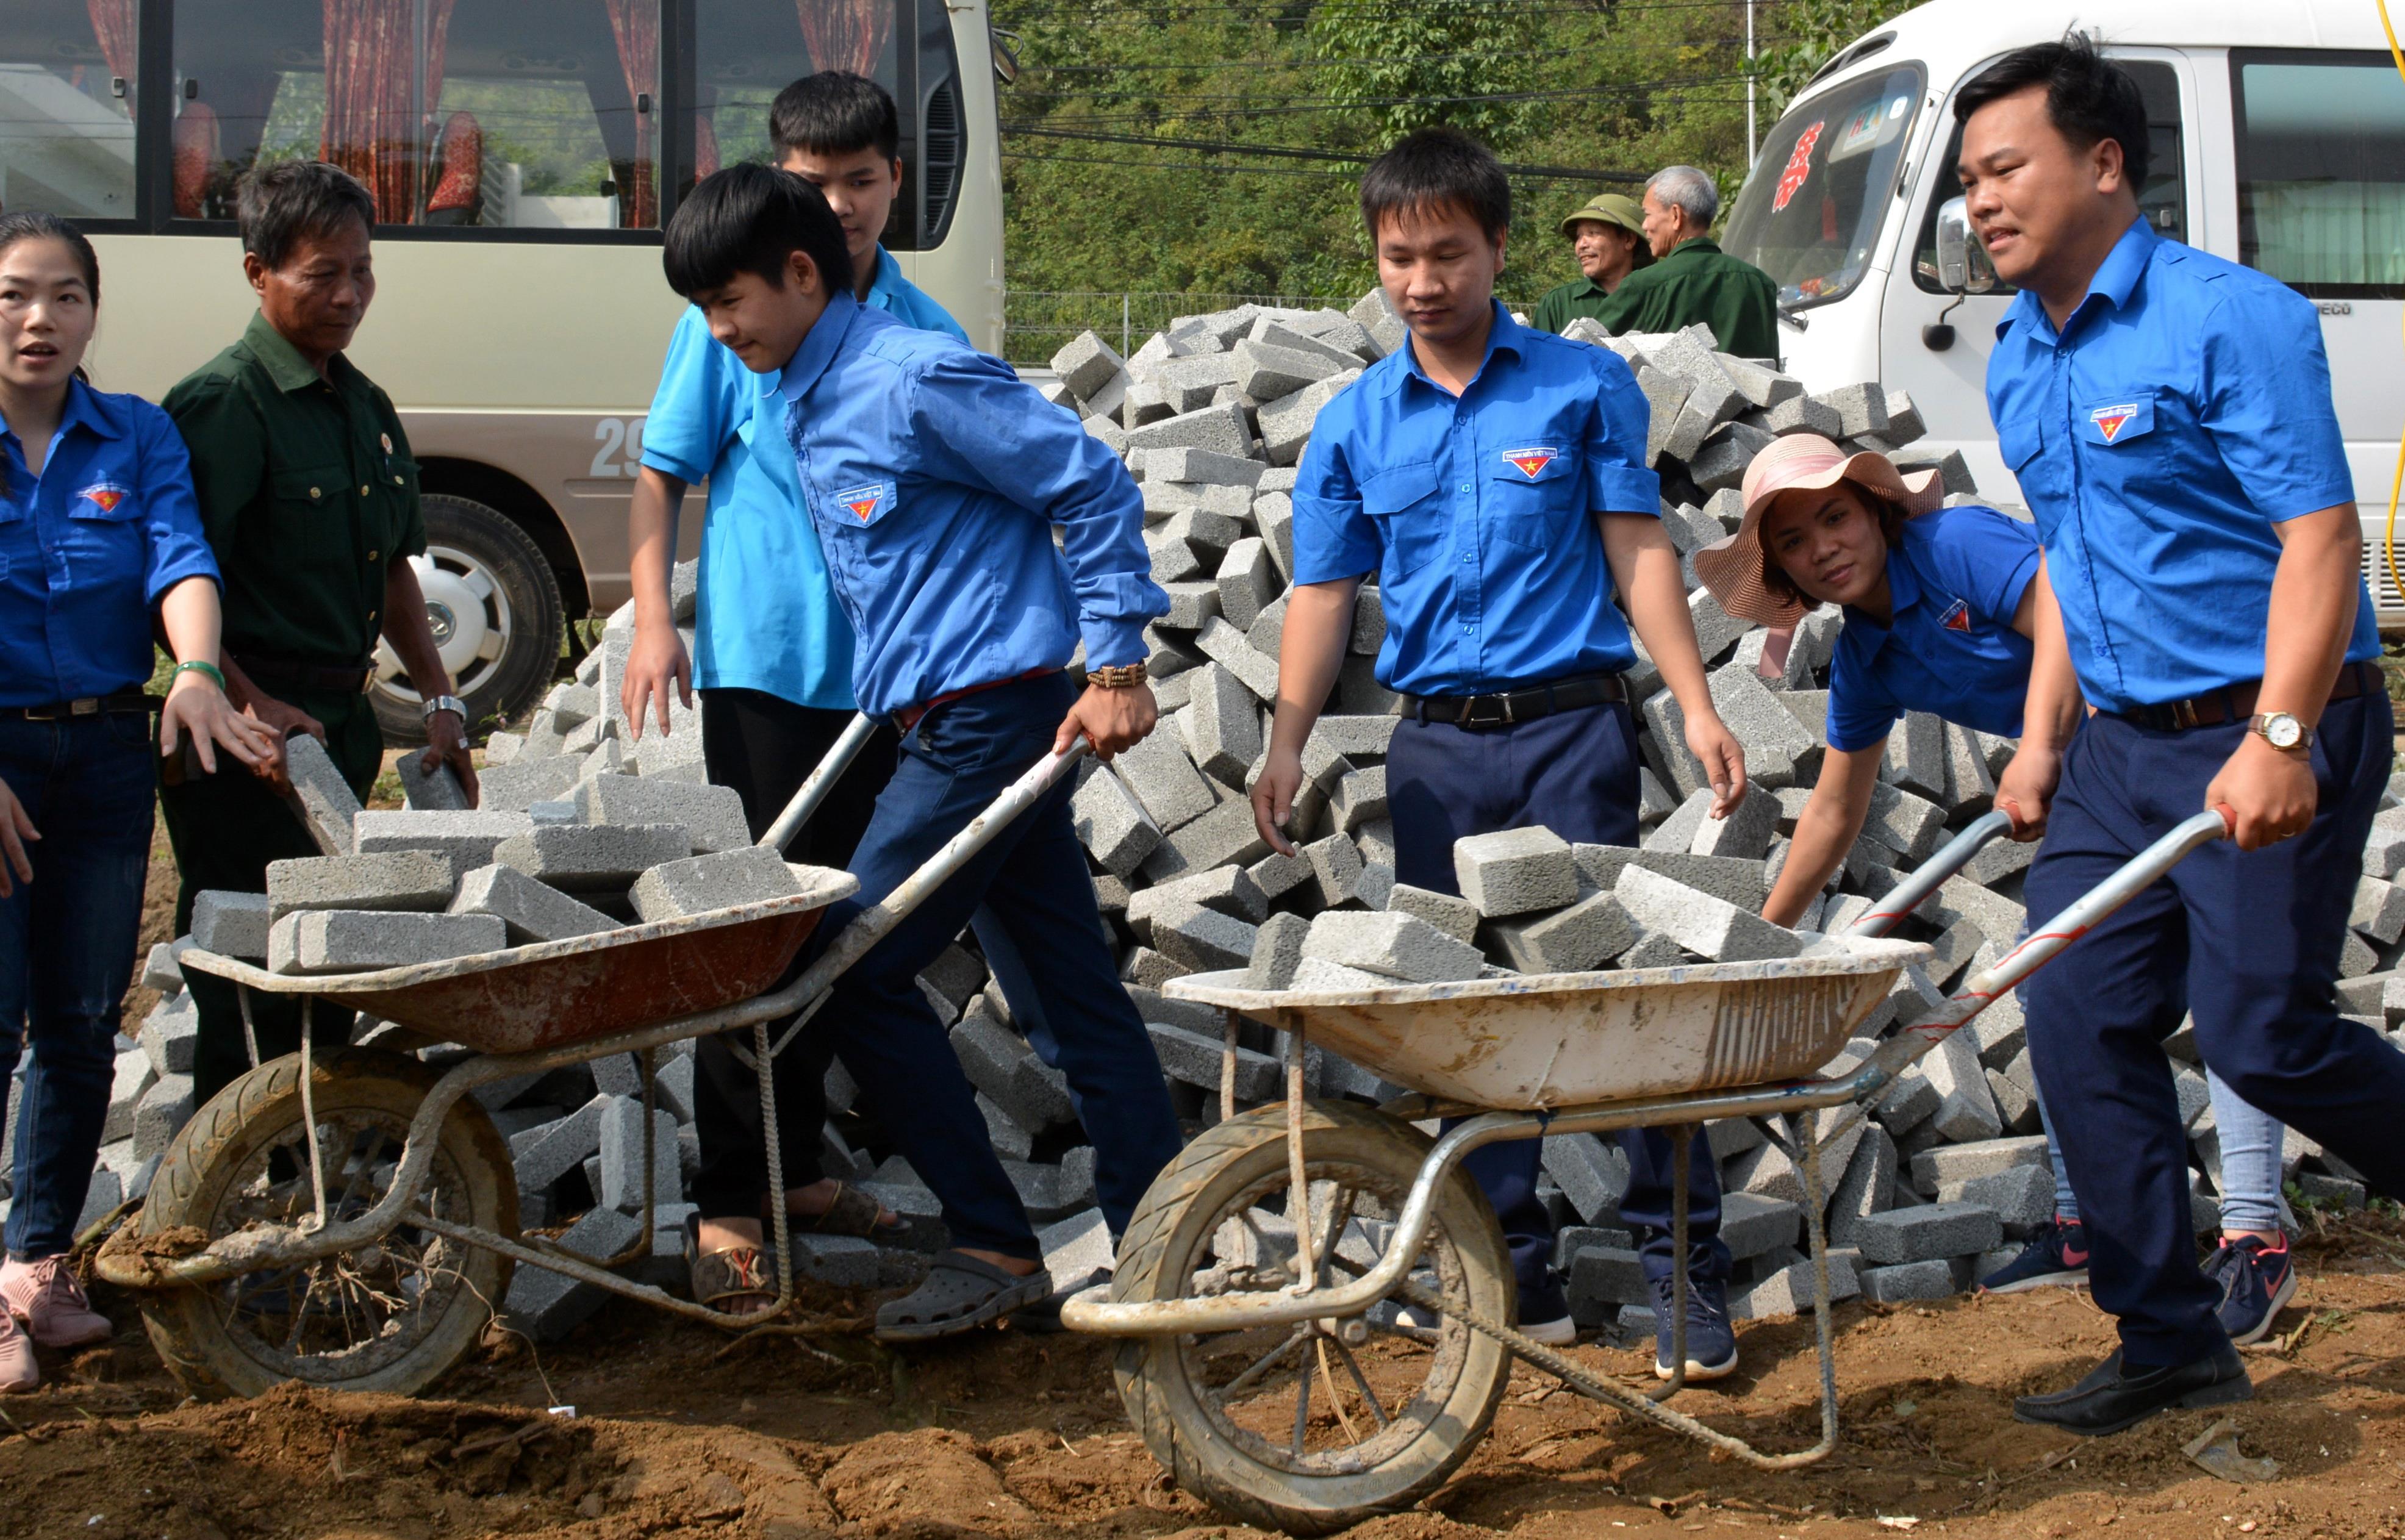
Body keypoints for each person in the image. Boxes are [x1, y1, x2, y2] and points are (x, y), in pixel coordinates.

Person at [1252, 128, 1753, 1373]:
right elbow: (1321, 595)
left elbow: (1640, 549)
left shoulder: (1579, 386)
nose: (1422, 281)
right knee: (1463, 1019)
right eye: (1397, 257)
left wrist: (1693, 704)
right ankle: (1504, 1279)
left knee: (1611, 1003)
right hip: (1434, 757)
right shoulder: (1357, 420)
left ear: (1497, 249)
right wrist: (1284, 741)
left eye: (1448, 253)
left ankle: (1684, 1276)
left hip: (1572, 735)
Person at [1959, 37, 2405, 1434]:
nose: (1978, 202)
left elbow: (2318, 538)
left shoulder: (2231, 319)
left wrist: (2279, 729)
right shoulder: (2018, 354)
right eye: (1966, 180)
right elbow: (2068, 574)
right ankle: (2167, 1333)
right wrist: (2041, 742)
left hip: (2275, 725)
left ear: (2102, 164)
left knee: (2263, 1038)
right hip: (2119, 750)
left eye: (2002, 168)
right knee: (2074, 1007)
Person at [660, 163, 1183, 1338]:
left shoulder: (909, 375)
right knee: (1066, 990)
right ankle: (1164, 1228)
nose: (718, 330)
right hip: (944, 714)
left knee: (850, 970)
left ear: (802, 274)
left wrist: (1115, 662)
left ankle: (996, 1247)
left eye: (728, 301)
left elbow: (1086, 480)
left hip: (993, 710)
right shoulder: (801, 388)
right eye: (701, 309)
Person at [1701, 432, 2308, 1345]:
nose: (1822, 545)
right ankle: (2083, 1223)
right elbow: (1832, 808)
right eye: (1792, 540)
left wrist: (2037, 748)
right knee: (2060, 982)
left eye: (1834, 516)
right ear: (1779, 569)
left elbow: (2061, 610)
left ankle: (2254, 1235)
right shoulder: (1867, 654)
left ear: (1875, 510)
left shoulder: (1954, 547)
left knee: (2230, 989)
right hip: (2098, 777)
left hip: (2185, 734)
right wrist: (1766, 939)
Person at [622, 71, 977, 1302]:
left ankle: (800, 1167)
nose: (841, 206)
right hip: (767, 673)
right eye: (815, 184)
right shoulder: (730, 314)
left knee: (845, 930)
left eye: (862, 181)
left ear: (894, 182)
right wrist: (653, 619)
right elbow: (665, 470)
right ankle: (730, 1194)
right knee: (756, 927)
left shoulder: (927, 333)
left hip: (888, 683)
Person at [0, 212, 278, 1392]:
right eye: (15, 294)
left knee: (76, 1023)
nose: (38, 320)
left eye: (65, 297)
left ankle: (36, 1267)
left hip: (108, 758)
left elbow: (180, 560)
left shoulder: (137, 434)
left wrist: (201, 675)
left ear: (93, 314)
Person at [162, 161, 478, 1109]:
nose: (348, 296)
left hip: (337, 727)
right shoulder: (223, 405)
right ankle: (223, 1183)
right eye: (320, 274)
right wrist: (249, 704)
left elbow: (393, 572)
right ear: (258, 272)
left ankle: (316, 1161)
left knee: (332, 951)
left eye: (363, 271)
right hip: (239, 738)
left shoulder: (365, 408)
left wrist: (441, 699)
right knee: (250, 966)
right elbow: (175, 584)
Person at [1586, 167, 1779, 359]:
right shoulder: (1760, 284)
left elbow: (1585, 349)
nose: (1644, 226)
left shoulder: (1644, 286)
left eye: (1647, 215)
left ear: (1676, 216)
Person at [1531, 192, 1653, 334]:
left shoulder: (1656, 300)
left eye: (1593, 233)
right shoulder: (1558, 304)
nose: (1581, 245)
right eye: (1579, 237)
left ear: (1628, 240)